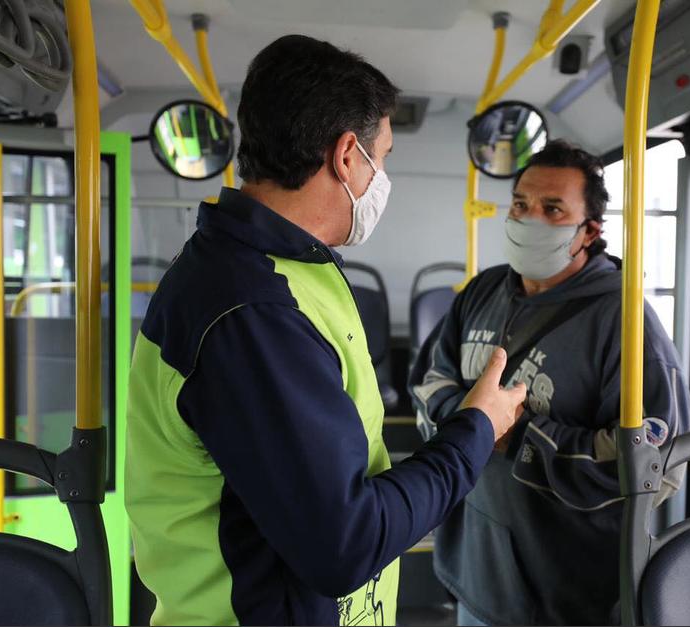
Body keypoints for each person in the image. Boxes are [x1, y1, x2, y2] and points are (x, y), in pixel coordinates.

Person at [125, 35, 526, 627]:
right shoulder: (250, 310)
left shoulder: (290, 268)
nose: (381, 177)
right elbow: (346, 544)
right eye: (381, 157)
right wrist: (476, 430)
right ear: (346, 156)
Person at [409, 139, 690, 625]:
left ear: (590, 231)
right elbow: (428, 382)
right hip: (475, 569)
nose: (529, 218)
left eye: (553, 208)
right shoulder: (483, 290)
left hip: (563, 595)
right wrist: (475, 421)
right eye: (521, 204)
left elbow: (656, 465)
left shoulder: (623, 322)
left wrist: (515, 435)